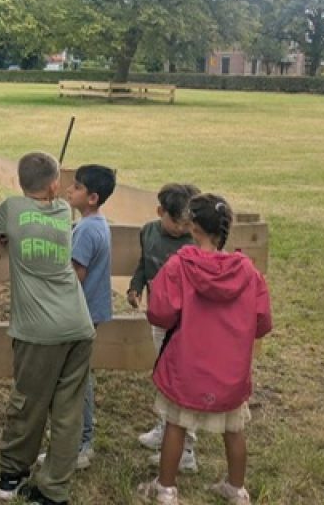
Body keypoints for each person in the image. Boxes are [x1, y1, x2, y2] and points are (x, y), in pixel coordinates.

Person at [137, 194, 272, 505]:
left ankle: (166, 488)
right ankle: (236, 489)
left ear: (193, 227)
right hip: (230, 370)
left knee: (176, 425)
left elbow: (159, 312)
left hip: (187, 366)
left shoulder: (179, 266)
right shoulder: (248, 272)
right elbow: (262, 321)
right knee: (234, 429)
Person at [0, 152, 95, 505]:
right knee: (68, 412)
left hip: (38, 330)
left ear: (19, 183)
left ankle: (12, 473)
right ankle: (54, 490)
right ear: (54, 186)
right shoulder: (64, 210)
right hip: (78, 324)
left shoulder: (13, 208)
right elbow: (50, 201)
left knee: (28, 404)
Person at [128, 183, 202, 471]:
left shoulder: (194, 244)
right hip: (160, 318)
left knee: (181, 382)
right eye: (177, 223)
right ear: (161, 212)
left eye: (188, 224)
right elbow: (144, 265)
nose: (182, 230)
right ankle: (165, 428)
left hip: (187, 325)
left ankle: (186, 448)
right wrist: (135, 288)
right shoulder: (148, 232)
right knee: (163, 374)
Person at [65, 163, 116, 469]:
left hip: (80, 312)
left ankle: (83, 443)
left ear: (92, 197)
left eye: (77, 187)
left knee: (78, 377)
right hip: (91, 310)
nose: (70, 190)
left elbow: (74, 277)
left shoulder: (85, 230)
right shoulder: (97, 223)